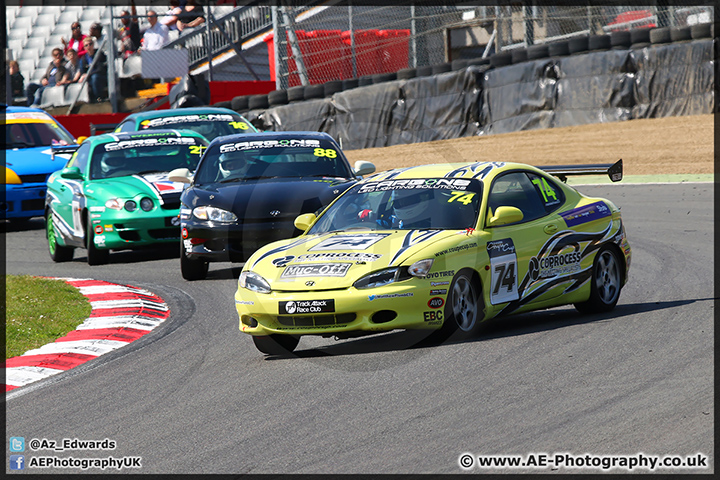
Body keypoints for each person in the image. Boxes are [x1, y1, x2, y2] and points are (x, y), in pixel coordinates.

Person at [79, 37, 108, 103]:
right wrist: (84, 75)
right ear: (84, 47)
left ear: (93, 44)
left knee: (95, 77)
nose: (89, 46)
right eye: (86, 45)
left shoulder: (99, 54)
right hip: (90, 78)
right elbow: (82, 71)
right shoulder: (84, 58)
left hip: (101, 76)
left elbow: (100, 69)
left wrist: (88, 74)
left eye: (90, 44)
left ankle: (98, 97)